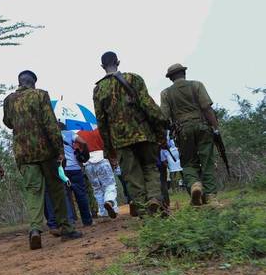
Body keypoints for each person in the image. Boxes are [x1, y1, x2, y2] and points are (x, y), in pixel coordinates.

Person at [3, 70, 82, 249]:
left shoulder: (9, 100)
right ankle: (66, 228)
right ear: (34, 83)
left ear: (19, 82)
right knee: (56, 190)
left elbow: (8, 122)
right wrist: (59, 150)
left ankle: (35, 230)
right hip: (46, 151)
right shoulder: (41, 95)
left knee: (33, 191)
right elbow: (50, 123)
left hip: (24, 153)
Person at [92, 52, 169, 217]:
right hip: (144, 134)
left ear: (102, 66)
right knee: (150, 168)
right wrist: (161, 128)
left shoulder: (98, 89)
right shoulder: (134, 78)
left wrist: (108, 148)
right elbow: (149, 106)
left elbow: (101, 122)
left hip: (121, 141)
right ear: (118, 62)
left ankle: (144, 214)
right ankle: (154, 199)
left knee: (132, 177)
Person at [159, 63, 219, 205]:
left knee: (187, 162)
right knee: (207, 161)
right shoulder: (197, 85)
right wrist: (215, 128)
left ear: (170, 78)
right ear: (184, 73)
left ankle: (194, 185)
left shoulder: (166, 93)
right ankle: (211, 197)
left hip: (182, 131)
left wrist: (163, 135)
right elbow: (207, 108)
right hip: (202, 127)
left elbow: (164, 117)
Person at [58, 121, 93, 226]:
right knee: (81, 195)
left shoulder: (52, 137)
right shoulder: (69, 133)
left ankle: (70, 222)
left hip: (61, 170)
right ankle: (87, 221)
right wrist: (84, 153)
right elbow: (83, 142)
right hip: (75, 168)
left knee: (65, 197)